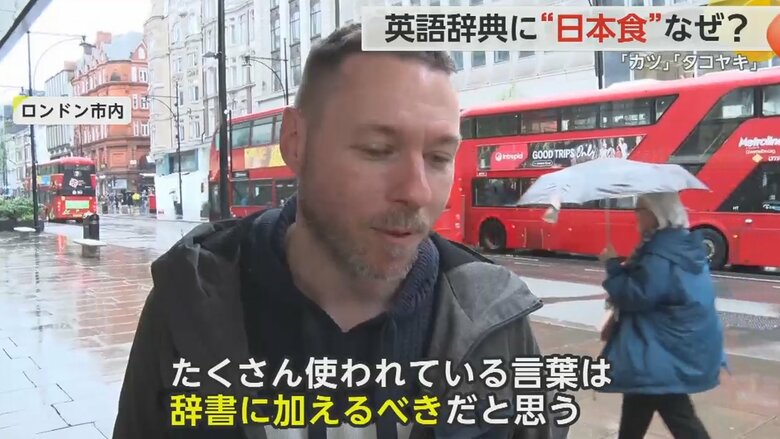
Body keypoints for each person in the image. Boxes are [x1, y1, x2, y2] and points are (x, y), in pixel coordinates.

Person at [113, 24, 566, 439]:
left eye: (438, 158)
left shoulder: (496, 321)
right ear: (296, 142)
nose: (416, 192)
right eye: (378, 150)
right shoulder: (189, 303)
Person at [596, 192, 727, 439]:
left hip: (660, 348)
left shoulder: (660, 252)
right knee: (640, 399)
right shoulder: (676, 243)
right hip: (664, 345)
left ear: (657, 214)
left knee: (674, 411)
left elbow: (636, 296)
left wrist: (612, 265)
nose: (635, 215)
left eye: (640, 209)